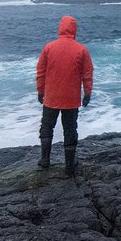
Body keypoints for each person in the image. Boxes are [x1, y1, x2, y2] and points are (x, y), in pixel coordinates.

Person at [36, 15, 94, 174]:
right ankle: (69, 166)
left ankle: (45, 160)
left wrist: (40, 91)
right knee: (70, 129)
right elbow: (87, 74)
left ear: (60, 28)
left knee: (47, 127)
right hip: (71, 98)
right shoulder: (81, 49)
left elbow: (40, 72)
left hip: (51, 97)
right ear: (74, 29)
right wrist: (87, 93)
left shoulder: (49, 47)